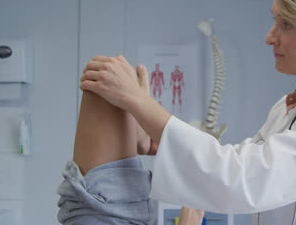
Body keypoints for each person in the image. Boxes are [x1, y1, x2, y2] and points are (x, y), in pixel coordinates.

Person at [79, 0, 296, 224]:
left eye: (286, 25)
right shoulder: (292, 105)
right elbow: (243, 160)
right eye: (274, 20)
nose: (269, 37)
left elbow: (240, 180)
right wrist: (159, 142)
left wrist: (140, 102)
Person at [56, 90, 204, 224]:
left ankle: (139, 131)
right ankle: (139, 131)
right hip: (125, 211)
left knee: (105, 78)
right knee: (111, 79)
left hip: (105, 209)